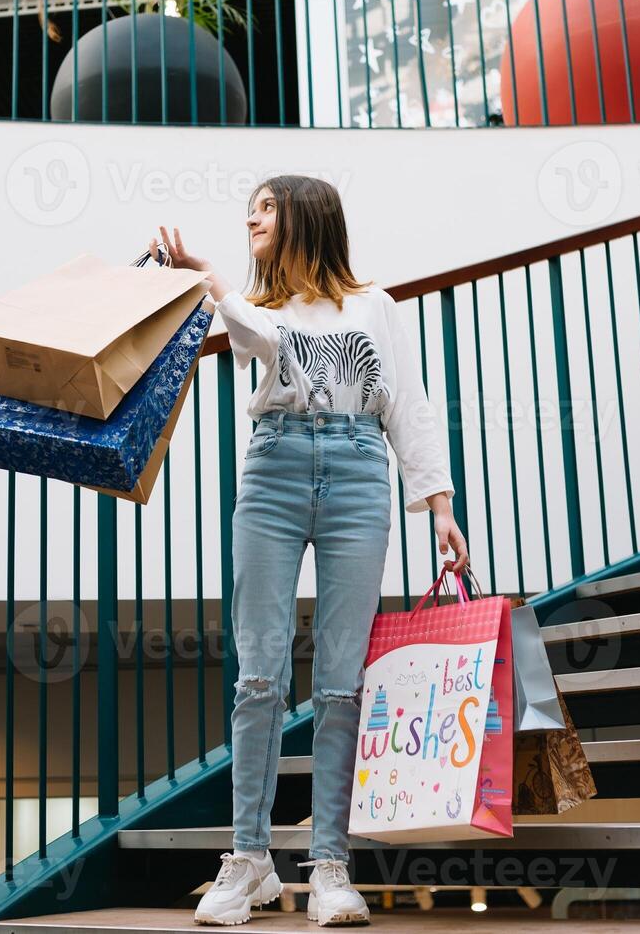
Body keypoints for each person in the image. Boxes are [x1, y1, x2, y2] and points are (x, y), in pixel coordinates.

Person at [152, 175, 468, 927]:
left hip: (360, 473)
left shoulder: (374, 307)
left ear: (304, 217)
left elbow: (408, 406)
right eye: (251, 208)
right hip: (275, 470)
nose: (251, 217)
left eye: (265, 207)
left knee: (338, 683)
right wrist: (206, 277)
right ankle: (249, 859)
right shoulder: (259, 309)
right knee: (257, 675)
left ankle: (329, 865)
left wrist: (440, 505)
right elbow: (258, 339)